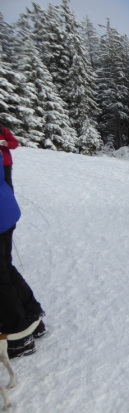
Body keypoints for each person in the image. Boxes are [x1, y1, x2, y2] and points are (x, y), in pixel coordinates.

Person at [0, 152, 47, 359]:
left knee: (0, 277)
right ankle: (32, 315)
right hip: (5, 210)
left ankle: (18, 337)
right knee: (5, 268)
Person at [0, 125, 19, 190]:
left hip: (4, 163)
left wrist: (7, 144)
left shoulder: (3, 131)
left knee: (7, 184)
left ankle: (9, 200)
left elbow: (15, 143)